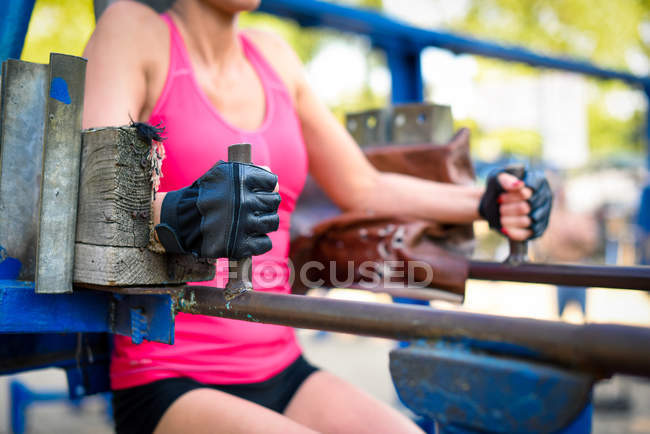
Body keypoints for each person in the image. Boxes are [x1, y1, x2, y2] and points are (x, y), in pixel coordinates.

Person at [83, 1, 552, 432]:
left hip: (281, 368)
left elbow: (363, 187)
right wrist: (182, 211)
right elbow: (93, 200)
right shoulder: (133, 29)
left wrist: (487, 202)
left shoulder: (273, 56)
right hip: (169, 377)